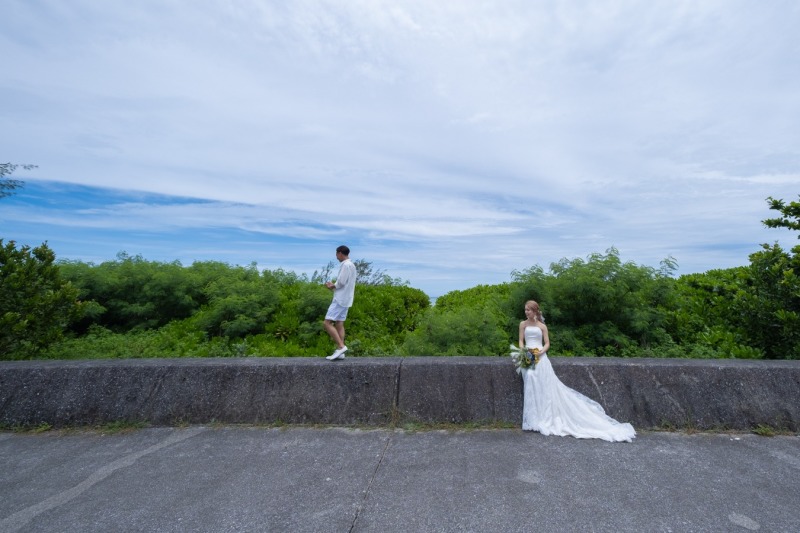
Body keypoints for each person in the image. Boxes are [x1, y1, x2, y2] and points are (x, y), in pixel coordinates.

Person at [518, 300, 635, 442]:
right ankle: (532, 419)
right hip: (528, 356)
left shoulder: (542, 326)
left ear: (535, 311)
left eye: (528, 310)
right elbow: (521, 341)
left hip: (540, 356)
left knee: (543, 387)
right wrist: (525, 351)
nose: (526, 312)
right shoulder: (522, 324)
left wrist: (540, 352)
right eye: (525, 310)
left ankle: (542, 417)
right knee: (530, 381)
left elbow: (547, 343)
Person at [323, 245, 357, 361]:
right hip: (347, 299)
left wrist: (332, 286)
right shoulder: (352, 265)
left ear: (340, 253)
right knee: (339, 323)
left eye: (337, 254)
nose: (336, 256)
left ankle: (341, 347)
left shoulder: (345, 265)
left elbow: (341, 282)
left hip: (340, 299)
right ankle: (340, 351)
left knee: (327, 323)